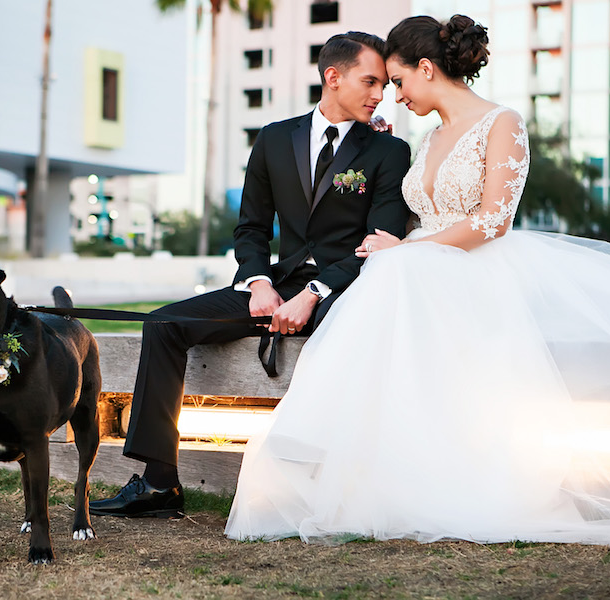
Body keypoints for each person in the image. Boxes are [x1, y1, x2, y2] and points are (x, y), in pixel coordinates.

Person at [225, 14, 610, 545]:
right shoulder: (427, 138)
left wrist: (406, 249)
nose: (395, 98)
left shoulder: (503, 122)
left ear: (425, 68)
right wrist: (396, 232)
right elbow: (406, 210)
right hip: (415, 269)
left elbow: (492, 220)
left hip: (475, 269)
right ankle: (365, 472)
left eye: (399, 82)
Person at [89, 32, 413, 518]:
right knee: (161, 324)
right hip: (275, 285)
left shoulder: (388, 152)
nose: (380, 94)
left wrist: (313, 293)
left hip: (347, 292)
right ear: (333, 77)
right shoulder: (274, 139)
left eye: (384, 85)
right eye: (370, 82)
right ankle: (159, 484)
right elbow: (252, 227)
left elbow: (379, 243)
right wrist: (259, 283)